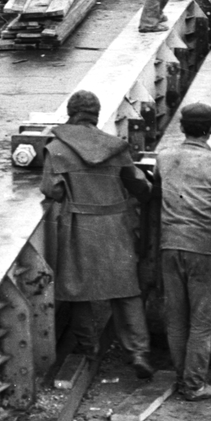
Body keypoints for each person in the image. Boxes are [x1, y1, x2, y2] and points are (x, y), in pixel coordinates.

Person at [39, 89, 154, 380]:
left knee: (80, 290)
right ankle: (138, 352)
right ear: (97, 115)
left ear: (70, 113)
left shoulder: (57, 148)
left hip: (79, 226)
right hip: (115, 225)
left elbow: (52, 190)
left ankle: (89, 348)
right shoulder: (115, 146)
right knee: (126, 290)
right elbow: (138, 185)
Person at [156, 101, 211, 401]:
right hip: (204, 248)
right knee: (202, 322)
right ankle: (194, 385)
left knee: (176, 319)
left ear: (181, 127)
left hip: (170, 245)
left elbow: (156, 197)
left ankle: (181, 377)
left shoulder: (164, 158)